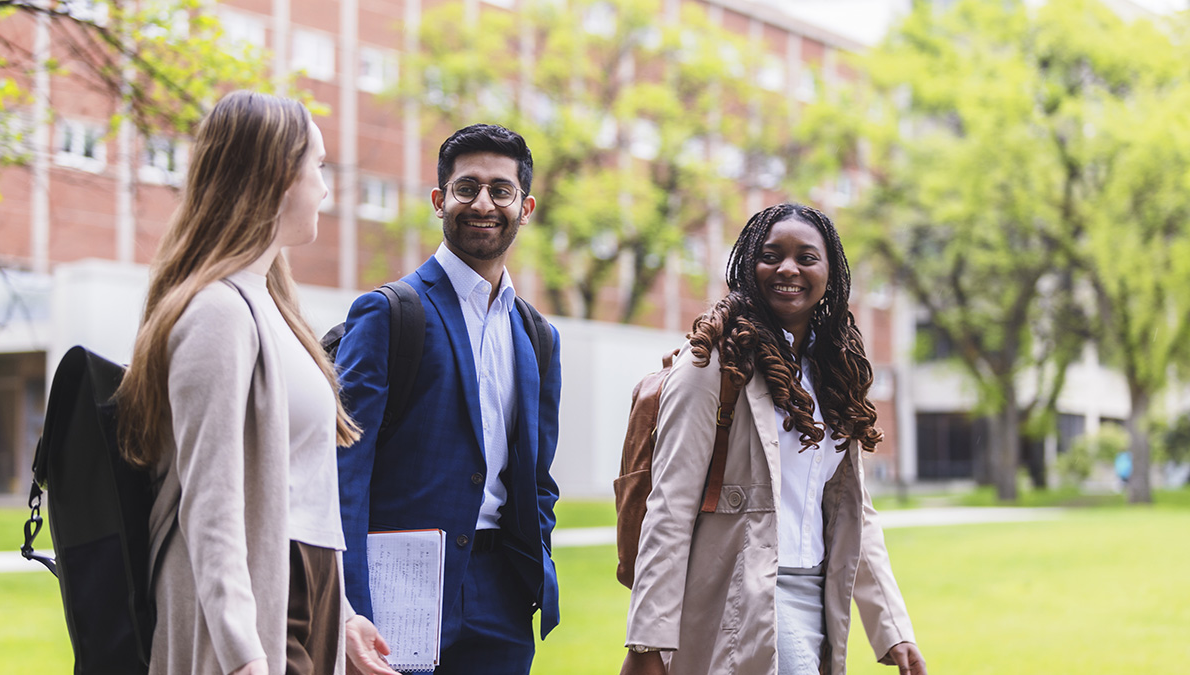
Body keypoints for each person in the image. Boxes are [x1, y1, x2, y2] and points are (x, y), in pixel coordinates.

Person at [114, 90, 397, 675]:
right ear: (274, 176)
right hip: (259, 607)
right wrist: (241, 654)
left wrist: (341, 615)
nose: (325, 188)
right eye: (316, 167)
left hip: (307, 590)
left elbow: (304, 490)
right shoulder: (216, 312)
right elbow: (209, 505)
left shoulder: (272, 306)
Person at [621, 203, 927, 675]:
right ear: (748, 264)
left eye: (807, 257)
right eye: (771, 255)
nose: (788, 268)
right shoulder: (711, 366)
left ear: (830, 274)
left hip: (820, 596)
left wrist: (892, 628)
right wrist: (647, 642)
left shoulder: (833, 375)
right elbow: (670, 506)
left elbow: (854, 513)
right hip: (739, 594)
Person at [334, 123, 561, 674]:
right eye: (467, 188)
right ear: (440, 200)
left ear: (524, 206)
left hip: (501, 596)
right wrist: (348, 605)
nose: (483, 202)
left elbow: (537, 478)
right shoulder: (388, 314)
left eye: (501, 190)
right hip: (399, 591)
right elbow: (344, 472)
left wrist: (533, 567)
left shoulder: (537, 335)